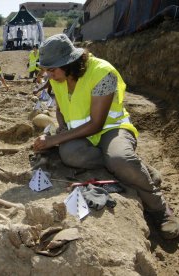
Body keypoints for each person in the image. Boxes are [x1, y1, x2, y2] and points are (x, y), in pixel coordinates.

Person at [33, 34, 179, 240]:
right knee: (70, 155)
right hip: (83, 135)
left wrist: (53, 140)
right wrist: (63, 130)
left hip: (111, 129)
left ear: (69, 63)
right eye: (46, 69)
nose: (48, 75)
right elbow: (60, 108)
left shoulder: (103, 73)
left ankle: (160, 210)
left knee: (118, 158)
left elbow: (96, 124)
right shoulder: (58, 77)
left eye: (52, 69)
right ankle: (134, 167)